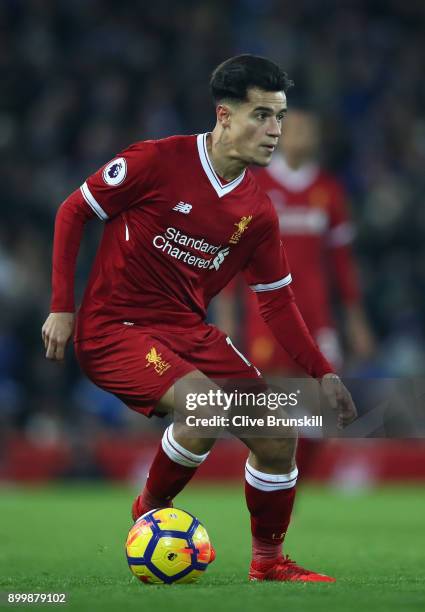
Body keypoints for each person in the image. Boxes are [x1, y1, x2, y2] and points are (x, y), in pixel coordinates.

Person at [42, 55, 356, 583]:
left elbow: (277, 302)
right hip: (115, 328)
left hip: (188, 331)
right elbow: (74, 210)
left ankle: (269, 562)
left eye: (280, 117)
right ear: (225, 115)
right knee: (205, 409)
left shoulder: (257, 210)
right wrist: (60, 307)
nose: (274, 130)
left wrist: (323, 371)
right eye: (262, 115)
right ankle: (147, 513)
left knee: (279, 436)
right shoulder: (157, 161)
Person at [215, 107, 374, 374]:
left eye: (308, 130)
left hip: (316, 314)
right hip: (266, 316)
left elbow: (342, 262)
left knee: (325, 394)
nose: (302, 135)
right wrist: (226, 316)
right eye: (295, 129)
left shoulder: (329, 190)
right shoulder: (254, 186)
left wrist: (356, 321)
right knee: (272, 393)